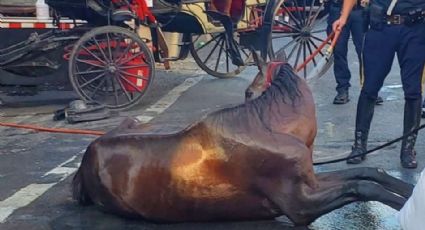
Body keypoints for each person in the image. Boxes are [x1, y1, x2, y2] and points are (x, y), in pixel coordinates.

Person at [333, 0, 425, 168]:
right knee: (369, 88)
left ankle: (408, 149)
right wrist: (343, 17)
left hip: (415, 30)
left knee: (413, 91)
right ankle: (359, 145)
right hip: (381, 28)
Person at [327, 0, 384, 104]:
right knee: (339, 51)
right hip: (337, 9)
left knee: (364, 51)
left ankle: (370, 89)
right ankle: (342, 89)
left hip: (359, 10)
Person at [207, 0, 245, 66]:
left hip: (229, 10)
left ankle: (235, 53)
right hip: (223, 9)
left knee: (227, 21)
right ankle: (234, 53)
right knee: (227, 20)